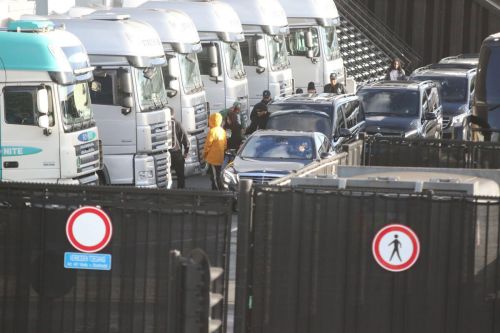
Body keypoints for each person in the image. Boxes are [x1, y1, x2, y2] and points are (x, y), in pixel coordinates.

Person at [203, 113, 227, 190]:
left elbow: (207, 145)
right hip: (220, 156)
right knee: (218, 174)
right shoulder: (222, 131)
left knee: (214, 176)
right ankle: (216, 190)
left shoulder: (212, 131)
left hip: (212, 158)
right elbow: (225, 145)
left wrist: (204, 155)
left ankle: (218, 191)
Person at [169, 119, 190, 189]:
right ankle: (181, 192)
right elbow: (185, 139)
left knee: (165, 175)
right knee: (180, 175)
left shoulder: (162, 123)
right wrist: (186, 152)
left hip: (164, 153)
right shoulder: (177, 123)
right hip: (177, 152)